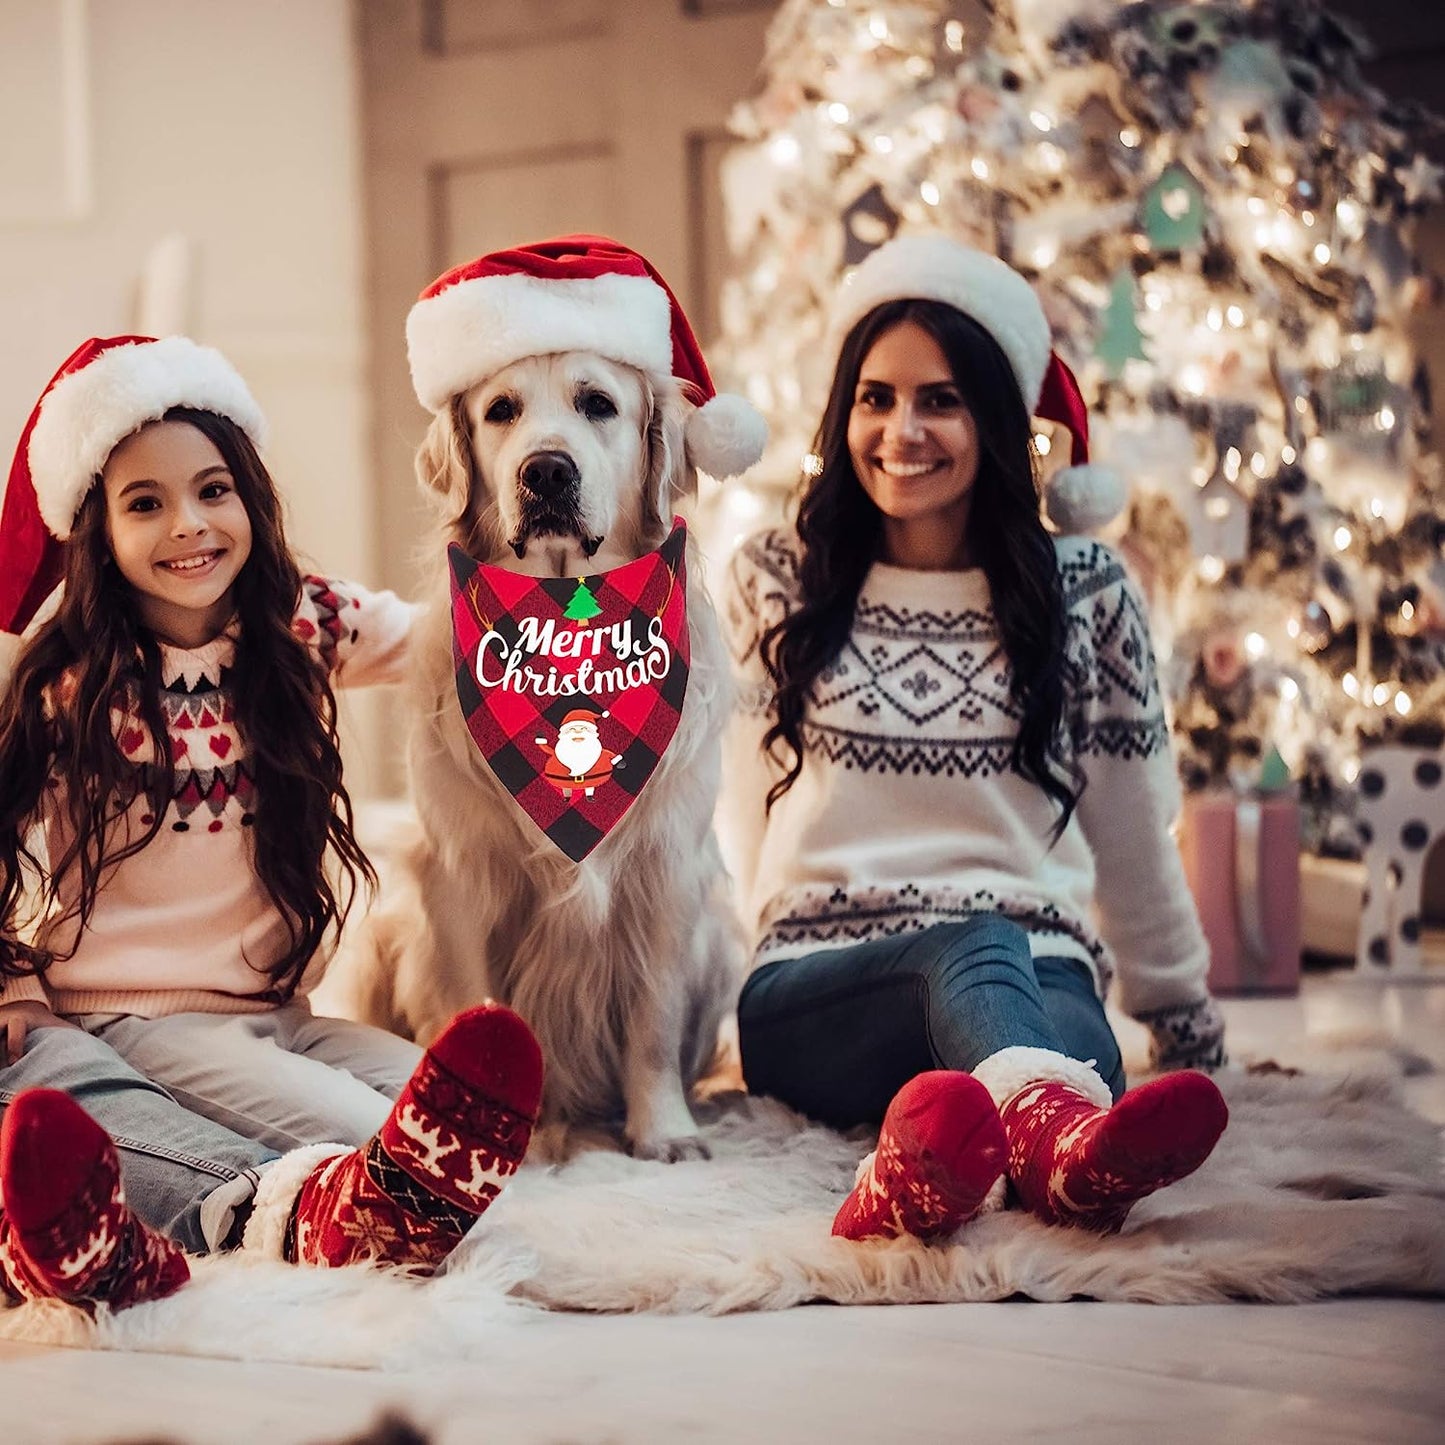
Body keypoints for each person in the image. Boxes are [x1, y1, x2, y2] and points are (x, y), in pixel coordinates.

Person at [0, 335, 544, 1310]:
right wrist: (14, 992)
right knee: (381, 1142)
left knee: (476, 1121)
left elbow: (444, 635)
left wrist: (575, 598)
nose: (189, 525)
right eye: (146, 503)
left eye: (213, 490)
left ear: (249, 494)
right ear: (98, 530)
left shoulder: (296, 628)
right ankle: (305, 1205)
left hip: (281, 1012)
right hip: (139, 1016)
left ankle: (364, 1184)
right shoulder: (72, 679)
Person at [719, 235, 1228, 1245]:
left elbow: (1131, 826)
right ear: (843, 410)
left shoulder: (1084, 589)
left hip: (1039, 973)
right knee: (976, 946)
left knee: (1070, 1046)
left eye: (939, 399)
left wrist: (1181, 1020)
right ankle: (1051, 1142)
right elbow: (720, 815)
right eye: (875, 397)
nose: (899, 429)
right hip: (819, 991)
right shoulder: (773, 578)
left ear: (995, 420)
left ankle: (933, 1163)